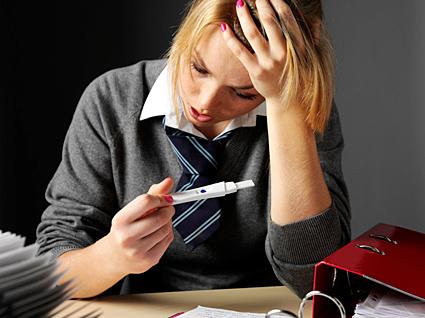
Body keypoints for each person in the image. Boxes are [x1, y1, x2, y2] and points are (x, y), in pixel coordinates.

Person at [36, 0, 350, 299]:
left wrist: (285, 105)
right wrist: (113, 256)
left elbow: (316, 280)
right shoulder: (113, 101)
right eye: (198, 68)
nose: (204, 103)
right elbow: (52, 272)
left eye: (244, 93)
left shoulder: (304, 112)